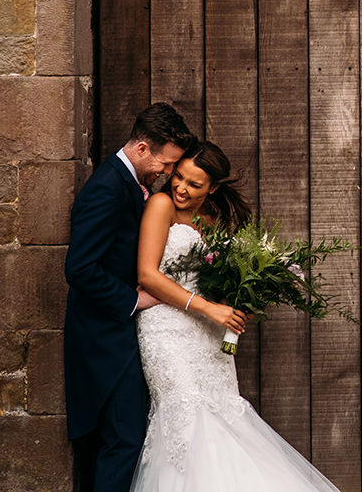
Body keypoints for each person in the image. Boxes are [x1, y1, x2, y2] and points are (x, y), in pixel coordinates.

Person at [130, 142, 344, 492]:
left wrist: (235, 301)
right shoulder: (161, 204)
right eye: (179, 177)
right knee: (187, 415)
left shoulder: (213, 218)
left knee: (223, 413)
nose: (181, 187)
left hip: (209, 334)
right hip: (166, 329)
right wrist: (208, 307)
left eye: (194, 184)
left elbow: (215, 277)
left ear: (212, 187)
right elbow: (148, 275)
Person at [65, 103, 198, 492]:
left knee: (124, 439)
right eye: (167, 163)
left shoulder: (132, 184)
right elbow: (79, 269)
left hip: (122, 335)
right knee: (123, 439)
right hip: (104, 338)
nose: (170, 174)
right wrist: (132, 299)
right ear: (142, 149)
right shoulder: (106, 189)